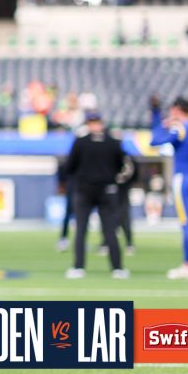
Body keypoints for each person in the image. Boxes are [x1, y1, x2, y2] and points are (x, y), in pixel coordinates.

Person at [60, 111, 134, 279]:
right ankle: (117, 268)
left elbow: (70, 166)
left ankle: (79, 267)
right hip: (106, 190)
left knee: (82, 229)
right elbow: (122, 165)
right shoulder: (113, 143)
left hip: (85, 190)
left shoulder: (80, 143)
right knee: (108, 230)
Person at [150, 96, 188, 279]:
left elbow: (155, 141)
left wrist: (163, 124)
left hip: (182, 179)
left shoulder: (180, 127)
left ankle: (187, 265)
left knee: (186, 223)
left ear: (177, 110)